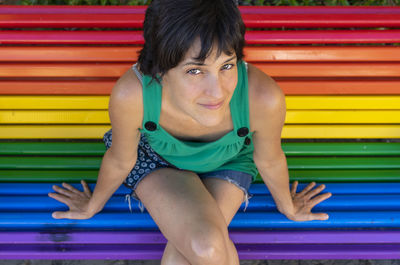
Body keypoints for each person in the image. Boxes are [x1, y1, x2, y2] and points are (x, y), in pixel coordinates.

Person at [48, 0, 332, 264]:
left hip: (228, 162)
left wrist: (289, 208)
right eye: (195, 71)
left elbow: (269, 160)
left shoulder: (261, 97)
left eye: (227, 65)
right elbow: (122, 159)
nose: (217, 91)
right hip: (155, 162)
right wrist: (93, 205)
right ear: (159, 68)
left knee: (205, 246)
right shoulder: (133, 95)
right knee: (207, 246)